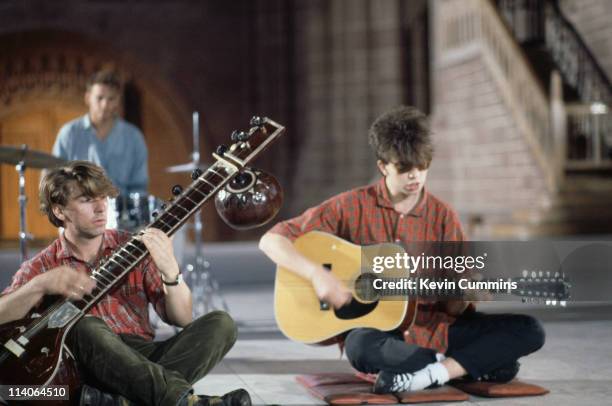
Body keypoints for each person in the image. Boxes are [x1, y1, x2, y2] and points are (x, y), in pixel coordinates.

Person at [259, 106, 545, 393]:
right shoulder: (349, 206)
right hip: (382, 336)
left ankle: (432, 372)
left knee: (529, 329)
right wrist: (316, 274)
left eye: (422, 167)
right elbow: (271, 240)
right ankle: (463, 366)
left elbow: (454, 307)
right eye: (404, 168)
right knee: (359, 346)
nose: (415, 177)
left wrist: (463, 293)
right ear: (383, 166)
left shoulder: (443, 216)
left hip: (437, 330)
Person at [0, 161, 250, 406]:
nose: (100, 208)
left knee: (222, 324)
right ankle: (185, 401)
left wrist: (171, 271)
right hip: (87, 368)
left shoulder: (133, 247)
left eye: (103, 198)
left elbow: (182, 318)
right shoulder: (43, 265)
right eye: (87, 200)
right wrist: (40, 285)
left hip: (140, 357)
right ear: (59, 211)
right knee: (85, 325)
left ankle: (113, 402)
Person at [52, 69, 148, 196]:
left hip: (122, 212)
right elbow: (53, 177)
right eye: (100, 98)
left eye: (111, 99)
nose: (105, 105)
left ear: (118, 100)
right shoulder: (69, 134)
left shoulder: (134, 137)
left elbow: (139, 186)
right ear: (88, 98)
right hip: (79, 211)